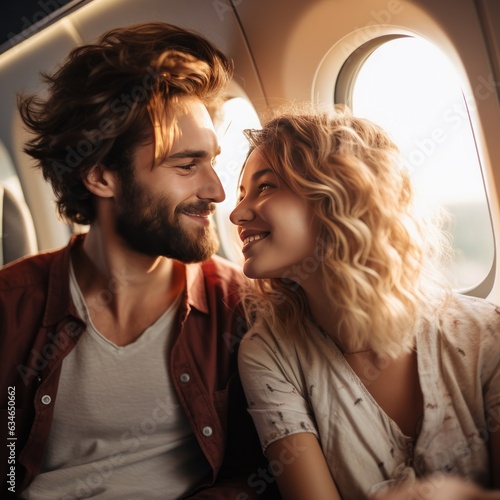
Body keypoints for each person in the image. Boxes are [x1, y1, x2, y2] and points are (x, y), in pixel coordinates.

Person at [0, 22, 279, 499]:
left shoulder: (242, 308)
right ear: (100, 177)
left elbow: (265, 472)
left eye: (212, 161)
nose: (215, 191)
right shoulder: (10, 307)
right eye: (186, 165)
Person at [229, 106, 500, 499]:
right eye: (241, 195)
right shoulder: (268, 353)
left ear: (339, 195)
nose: (237, 213)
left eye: (266, 186)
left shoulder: (486, 333)